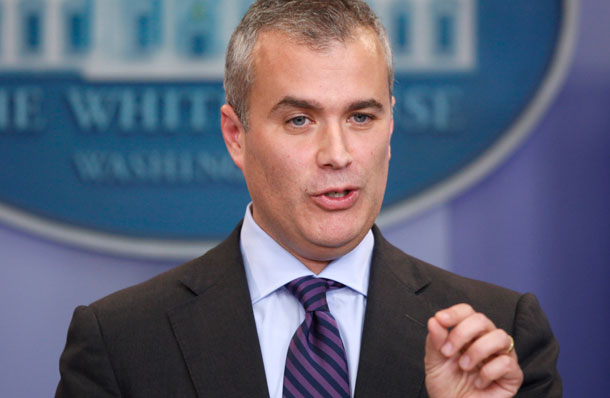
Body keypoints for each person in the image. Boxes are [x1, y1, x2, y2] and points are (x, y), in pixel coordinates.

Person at [56, 1, 561, 397]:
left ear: (391, 125)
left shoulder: (497, 338)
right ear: (236, 135)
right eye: (299, 120)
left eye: (361, 117)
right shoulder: (120, 341)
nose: (338, 154)